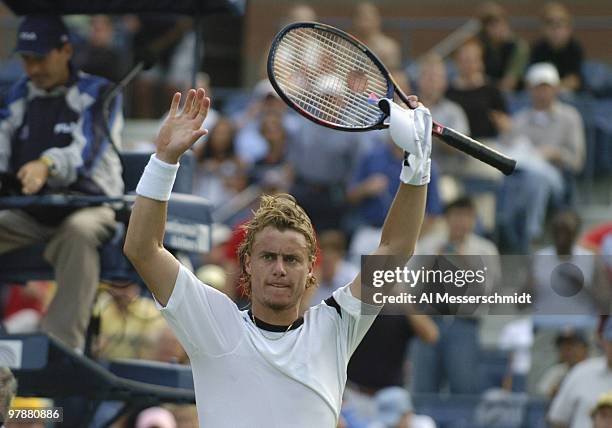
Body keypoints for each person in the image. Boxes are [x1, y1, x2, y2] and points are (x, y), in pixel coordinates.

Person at [123, 87, 431, 426]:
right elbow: (143, 249)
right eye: (268, 257)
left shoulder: (335, 327)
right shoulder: (214, 322)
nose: (280, 269)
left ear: (311, 270)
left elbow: (396, 248)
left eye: (292, 259)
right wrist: (164, 160)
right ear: (248, 265)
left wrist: (416, 163)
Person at [0, 16, 123, 350]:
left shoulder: (99, 93)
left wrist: (46, 164)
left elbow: (85, 153)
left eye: (40, 58)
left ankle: (60, 348)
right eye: (26, 59)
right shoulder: (17, 95)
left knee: (79, 234)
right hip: (32, 212)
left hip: (90, 207)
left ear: (65, 50)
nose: (33, 68)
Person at [548, 318, 612, 428]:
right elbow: (557, 420)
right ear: (604, 341)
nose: (569, 351)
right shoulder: (581, 372)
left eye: (573, 345)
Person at [529, 2, 584, 92]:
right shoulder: (537, 48)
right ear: (543, 28)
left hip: (568, 94)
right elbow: (532, 80)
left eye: (560, 24)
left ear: (569, 29)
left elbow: (574, 81)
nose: (555, 29)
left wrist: (553, 89)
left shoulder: (575, 48)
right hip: (543, 94)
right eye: (550, 23)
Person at [476, 2, 529, 92]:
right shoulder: (480, 45)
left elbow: (509, 83)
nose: (496, 28)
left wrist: (487, 83)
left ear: (506, 24)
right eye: (491, 25)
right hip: (484, 92)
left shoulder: (517, 46)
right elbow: (474, 79)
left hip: (513, 94)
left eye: (499, 23)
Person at [536, 327, 589, 398]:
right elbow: (542, 394)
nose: (567, 350)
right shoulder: (556, 371)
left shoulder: (594, 368)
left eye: (572, 344)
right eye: (562, 345)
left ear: (585, 348)